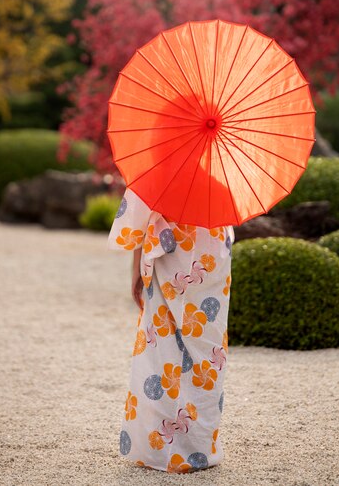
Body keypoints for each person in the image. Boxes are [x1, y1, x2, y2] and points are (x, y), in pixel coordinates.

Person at [108, 186, 234, 473]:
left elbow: (137, 220)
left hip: (170, 252)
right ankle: (200, 447)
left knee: (162, 348)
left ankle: (157, 447)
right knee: (206, 349)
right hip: (210, 251)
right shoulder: (220, 176)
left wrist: (135, 271)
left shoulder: (160, 169)